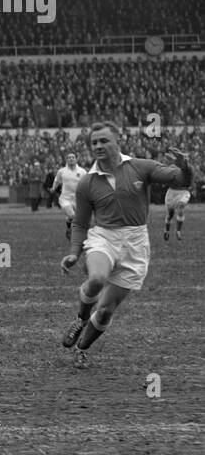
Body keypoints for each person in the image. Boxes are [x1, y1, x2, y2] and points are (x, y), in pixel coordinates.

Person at [60, 123, 192, 368]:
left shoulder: (141, 167)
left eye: (103, 140)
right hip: (104, 237)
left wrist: (185, 166)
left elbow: (180, 179)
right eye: (94, 142)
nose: (98, 146)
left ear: (117, 140)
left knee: (107, 309)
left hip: (135, 242)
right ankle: (80, 317)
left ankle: (82, 348)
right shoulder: (87, 182)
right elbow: (79, 223)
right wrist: (73, 253)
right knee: (97, 278)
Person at [50, 152, 84, 242]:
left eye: (73, 157)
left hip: (78, 199)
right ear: (66, 160)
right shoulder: (62, 171)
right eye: (69, 157)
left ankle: (68, 227)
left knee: (74, 217)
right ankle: (76, 235)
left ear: (76, 159)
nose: (71, 159)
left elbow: (87, 182)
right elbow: (56, 180)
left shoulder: (82, 171)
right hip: (65, 198)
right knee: (73, 215)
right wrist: (53, 188)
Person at [162, 148, 192, 242]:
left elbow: (186, 168)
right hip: (172, 192)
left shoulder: (188, 168)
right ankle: (167, 230)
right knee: (170, 214)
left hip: (183, 192)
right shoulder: (171, 167)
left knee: (181, 206)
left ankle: (178, 231)